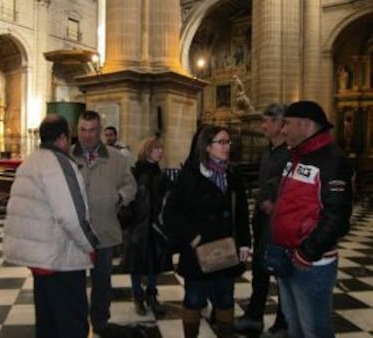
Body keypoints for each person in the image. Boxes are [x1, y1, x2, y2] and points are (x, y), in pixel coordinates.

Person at [3, 114, 99, 338]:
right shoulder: (60, 164)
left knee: (47, 323)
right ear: (64, 138)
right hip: (61, 259)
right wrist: (90, 245)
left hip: (40, 258)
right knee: (72, 324)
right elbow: (72, 216)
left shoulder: (30, 162)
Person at [272, 101, 353, 338]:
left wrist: (306, 252)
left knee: (315, 331)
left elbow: (337, 218)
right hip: (287, 257)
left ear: (305, 124)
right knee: (294, 326)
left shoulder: (332, 160)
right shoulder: (296, 156)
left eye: (287, 123)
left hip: (311, 263)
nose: (282, 129)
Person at [163, 125, 251, 338]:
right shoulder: (190, 174)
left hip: (226, 248)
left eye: (228, 142)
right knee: (193, 299)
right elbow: (171, 212)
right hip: (198, 250)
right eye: (221, 142)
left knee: (225, 298)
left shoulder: (233, 174)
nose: (227, 146)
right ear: (207, 146)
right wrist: (191, 237)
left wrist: (244, 243)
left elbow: (241, 212)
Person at [71, 111, 137, 335]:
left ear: (99, 131)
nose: (87, 135)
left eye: (92, 130)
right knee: (75, 283)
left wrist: (119, 197)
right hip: (74, 234)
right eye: (83, 130)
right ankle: (78, 324)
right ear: (77, 130)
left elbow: (130, 185)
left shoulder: (116, 158)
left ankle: (100, 322)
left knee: (102, 281)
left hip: (105, 231)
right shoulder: (67, 157)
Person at [234, 103, 289, 337]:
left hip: (278, 222)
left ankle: (283, 324)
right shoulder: (269, 150)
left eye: (267, 121)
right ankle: (254, 317)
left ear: (280, 123)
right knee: (259, 270)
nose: (263, 125)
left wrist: (275, 205)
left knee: (282, 273)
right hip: (262, 220)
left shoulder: (291, 152)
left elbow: (290, 187)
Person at [121, 136, 173, 316]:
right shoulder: (135, 173)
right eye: (156, 149)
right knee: (136, 264)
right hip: (138, 227)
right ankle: (138, 296)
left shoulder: (160, 174)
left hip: (156, 227)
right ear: (147, 151)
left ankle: (151, 295)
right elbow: (128, 199)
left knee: (154, 263)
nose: (160, 152)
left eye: (161, 149)